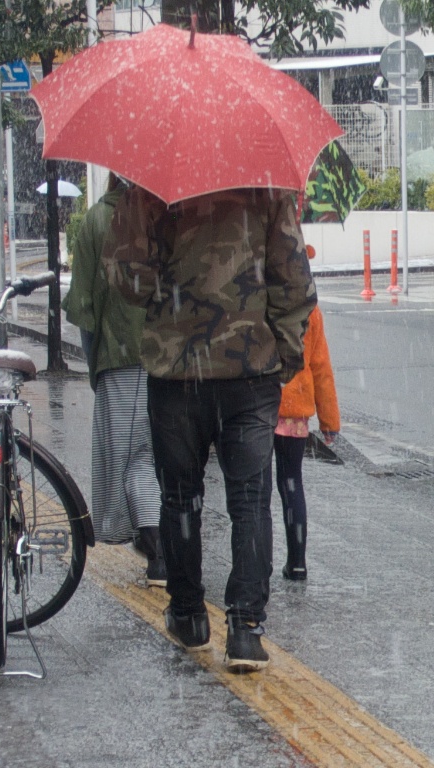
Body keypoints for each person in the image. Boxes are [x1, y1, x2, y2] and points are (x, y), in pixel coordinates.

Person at [104, 186, 316, 673]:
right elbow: (295, 281)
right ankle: (244, 630)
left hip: (177, 374)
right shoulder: (266, 185)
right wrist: (283, 355)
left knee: (180, 497)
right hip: (250, 372)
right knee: (249, 500)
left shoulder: (156, 186)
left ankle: (189, 615)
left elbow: (128, 280)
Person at [62, 173, 165, 586]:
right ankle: (156, 539)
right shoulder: (167, 216)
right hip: (171, 359)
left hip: (120, 357)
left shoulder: (99, 221)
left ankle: (160, 553)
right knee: (159, 459)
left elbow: (84, 306)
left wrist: (95, 362)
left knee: (134, 460)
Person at [274, 300, 340, 582]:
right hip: (294, 406)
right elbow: (321, 367)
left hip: (259, 406)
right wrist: (329, 421)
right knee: (291, 482)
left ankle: (257, 562)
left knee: (256, 488)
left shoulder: (260, 301)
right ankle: (297, 562)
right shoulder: (309, 310)